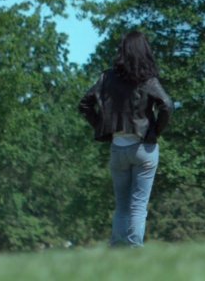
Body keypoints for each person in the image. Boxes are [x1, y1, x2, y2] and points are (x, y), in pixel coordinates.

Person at [78, 31, 173, 247]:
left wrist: (103, 128)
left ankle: (116, 248)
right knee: (138, 205)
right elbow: (167, 105)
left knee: (122, 206)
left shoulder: (107, 78)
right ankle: (134, 250)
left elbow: (84, 104)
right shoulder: (147, 80)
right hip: (143, 148)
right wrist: (155, 131)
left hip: (118, 148)